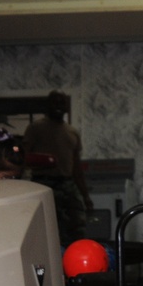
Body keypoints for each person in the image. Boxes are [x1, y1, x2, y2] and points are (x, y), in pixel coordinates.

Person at [23, 91, 93, 246]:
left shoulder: (72, 132)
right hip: (43, 183)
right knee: (44, 230)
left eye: (62, 103)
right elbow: (24, 157)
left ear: (67, 107)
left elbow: (76, 167)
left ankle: (74, 264)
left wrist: (85, 196)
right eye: (55, 102)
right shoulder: (35, 128)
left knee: (76, 228)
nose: (58, 106)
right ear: (48, 106)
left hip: (67, 185)